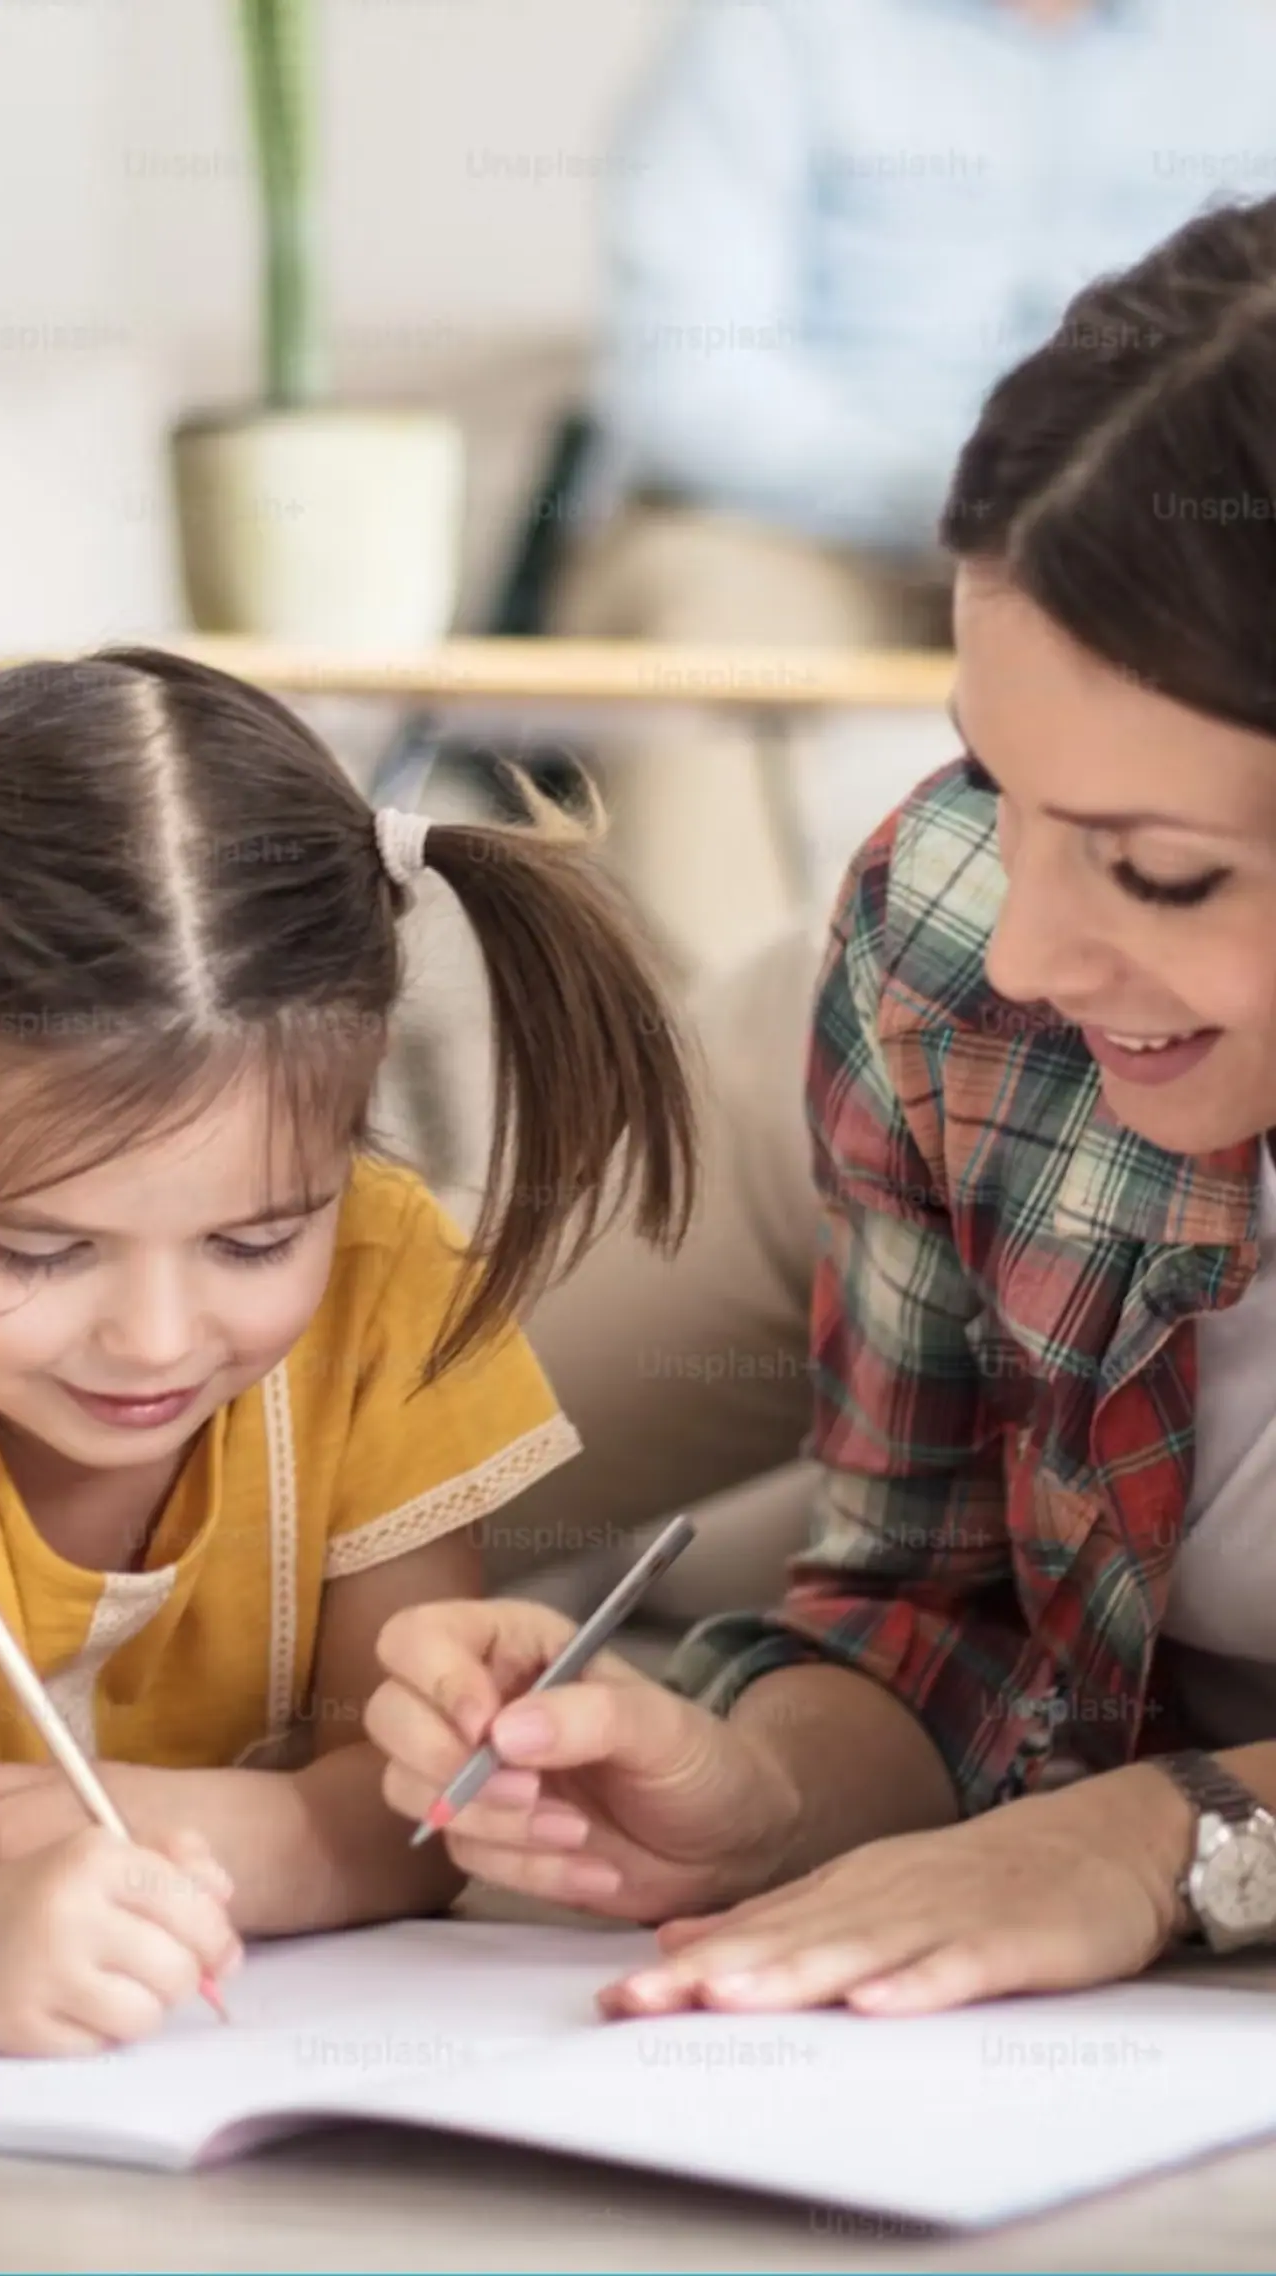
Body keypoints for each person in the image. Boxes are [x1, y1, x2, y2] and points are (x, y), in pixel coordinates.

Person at [371, 190, 1276, 2016]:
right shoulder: (961, 941)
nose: (1025, 939)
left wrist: (1155, 1839)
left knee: (651, 1581)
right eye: (996, 779)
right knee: (312, 1461)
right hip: (939, 1131)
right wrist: (764, 1800)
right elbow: (936, 1601)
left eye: (1156, 867)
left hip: (1159, 1544)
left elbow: (1086, 1767)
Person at [0, 648, 694, 2058]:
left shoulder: (383, 1286)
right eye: (33, 1251)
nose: (155, 1338)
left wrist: (140, 1826)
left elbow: (411, 1818)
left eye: (254, 1244)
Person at [555, 0, 1276, 976]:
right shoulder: (768, 30)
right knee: (706, 625)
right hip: (794, 533)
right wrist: (985, 489)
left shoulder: (1242, 41)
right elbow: (683, 379)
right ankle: (697, 1065)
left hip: (1138, 532)